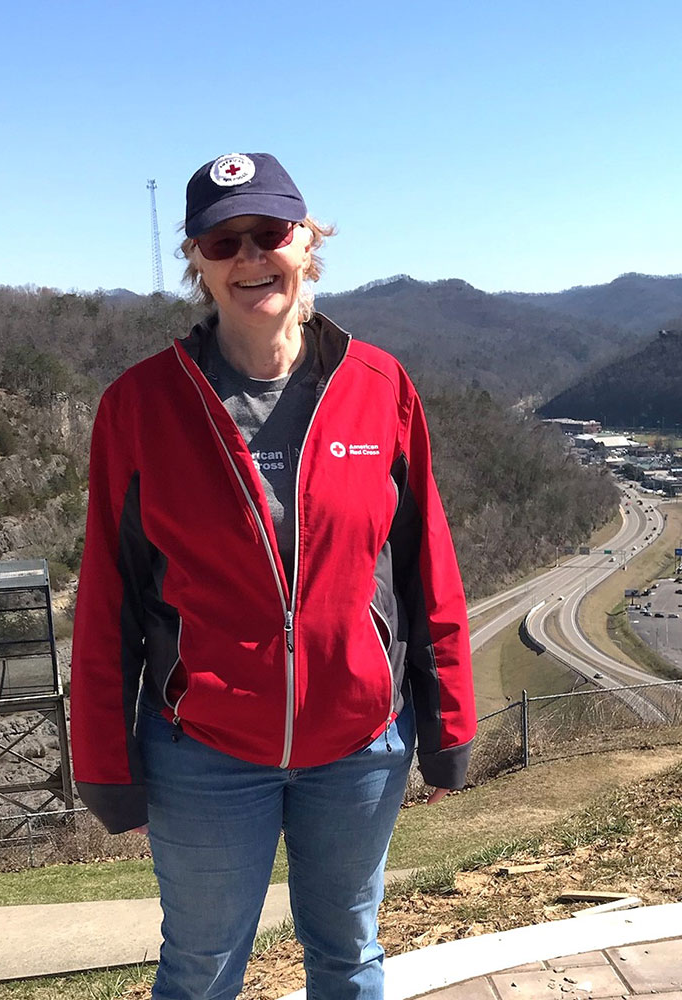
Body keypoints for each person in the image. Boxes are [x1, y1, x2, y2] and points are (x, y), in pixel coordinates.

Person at [70, 152, 476, 1000]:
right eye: (225, 240)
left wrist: (448, 718)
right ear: (197, 260)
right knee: (201, 970)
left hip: (360, 742)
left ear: (307, 241)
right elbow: (109, 596)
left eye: (271, 233)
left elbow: (424, 563)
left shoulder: (381, 388)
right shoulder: (141, 407)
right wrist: (105, 758)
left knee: (351, 957)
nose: (251, 257)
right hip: (203, 751)